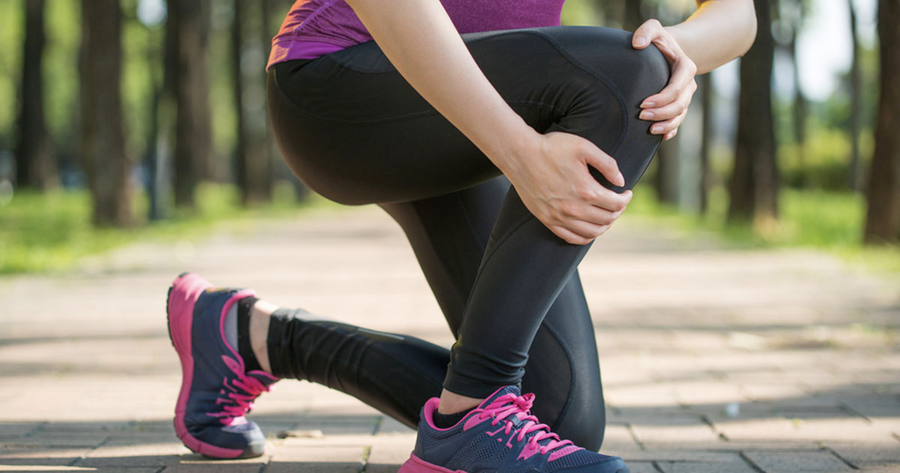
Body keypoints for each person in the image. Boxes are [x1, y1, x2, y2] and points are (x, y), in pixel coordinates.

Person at [166, 0, 757, 471]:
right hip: (341, 82)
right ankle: (473, 417)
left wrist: (677, 53)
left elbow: (737, 14)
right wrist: (520, 151)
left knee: (558, 423)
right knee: (621, 75)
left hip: (469, 125)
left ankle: (253, 337)